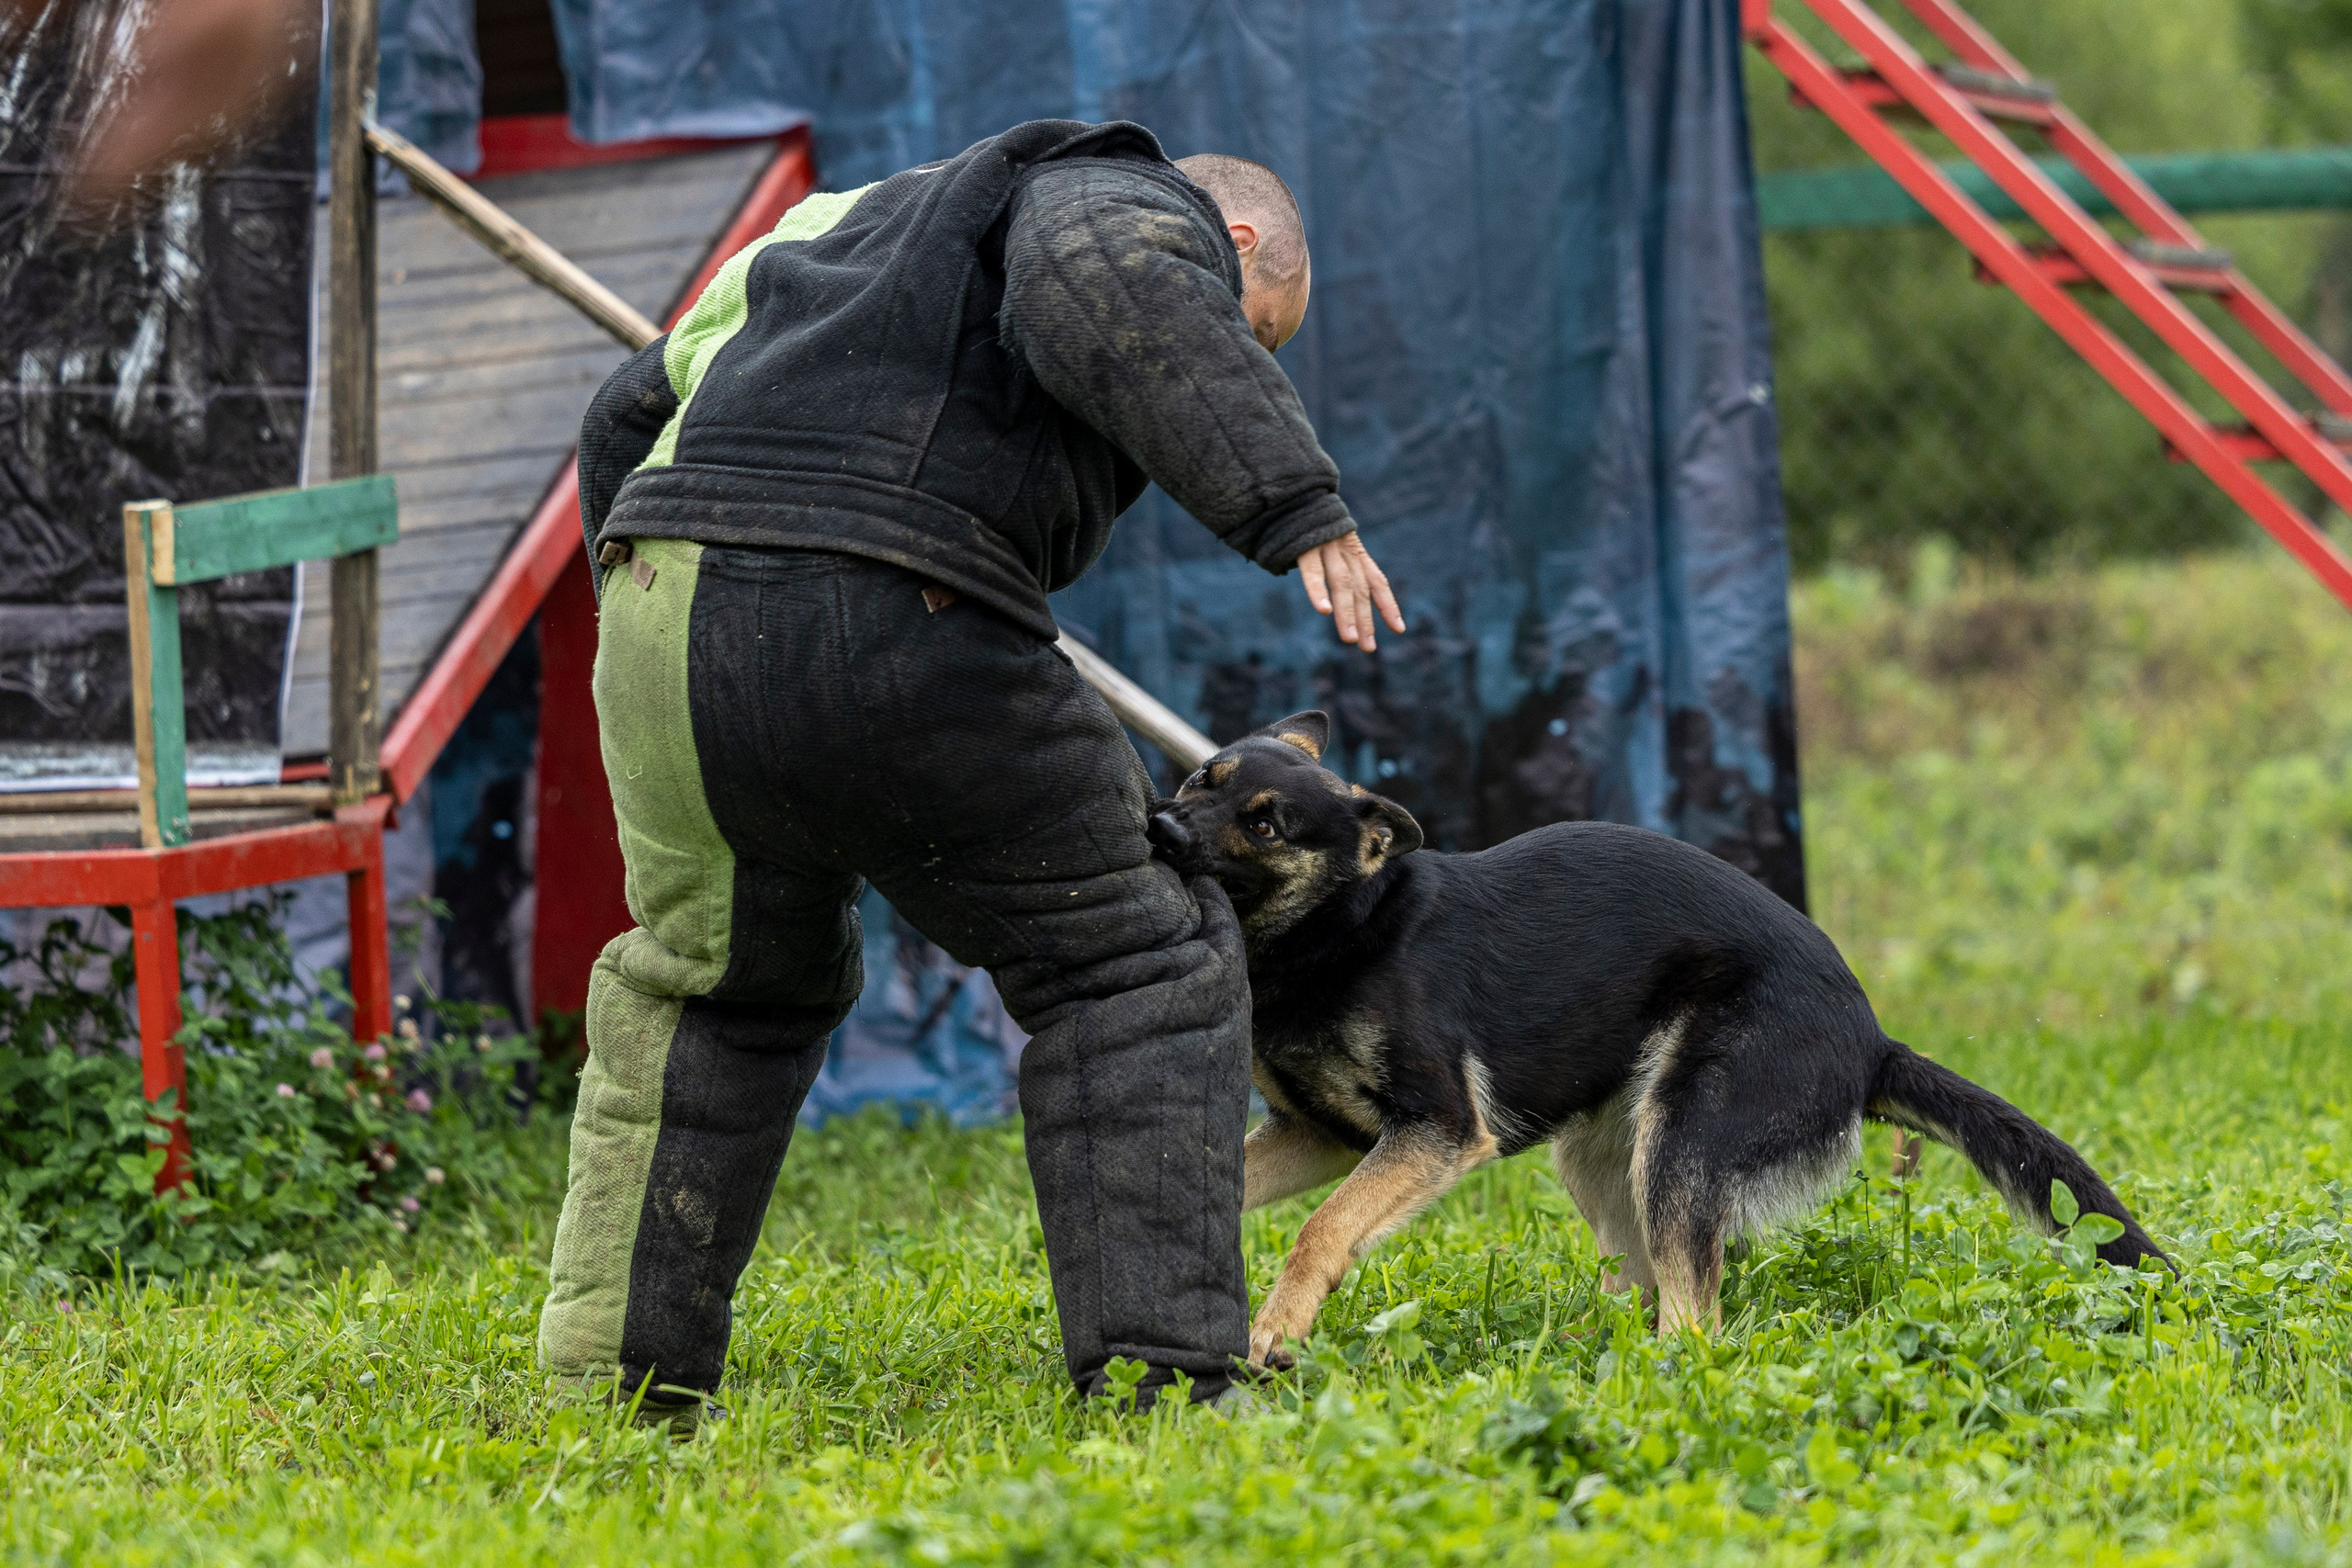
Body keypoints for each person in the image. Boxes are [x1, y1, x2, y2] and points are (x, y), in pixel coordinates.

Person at [537, 118, 1405, 1424]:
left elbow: (625, 411)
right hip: (895, 605)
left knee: (708, 991)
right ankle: (1164, 1380)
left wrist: (657, 594)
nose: (1234, 350)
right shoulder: (1101, 190)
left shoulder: (831, 232)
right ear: (1224, 244)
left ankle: (614, 1393)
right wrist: (1292, 501)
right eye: (1249, 331)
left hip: (661, 606)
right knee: (1139, 964)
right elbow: (1097, 273)